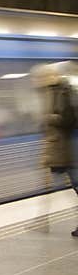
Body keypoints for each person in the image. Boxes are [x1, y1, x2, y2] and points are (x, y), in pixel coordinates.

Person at [31, 63, 78, 238]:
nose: (35, 81)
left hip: (69, 146)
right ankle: (42, 221)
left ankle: (42, 221)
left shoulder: (63, 92)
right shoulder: (56, 91)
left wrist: (49, 118)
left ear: (49, 77)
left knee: (72, 185)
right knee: (65, 185)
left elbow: (68, 119)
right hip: (61, 147)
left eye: (38, 78)